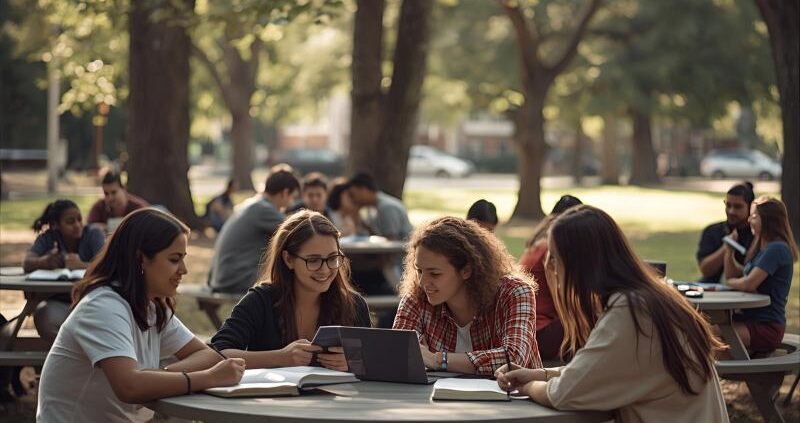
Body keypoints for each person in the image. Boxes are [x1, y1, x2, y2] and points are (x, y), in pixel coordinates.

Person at [496, 205, 728, 423]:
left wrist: (525, 387)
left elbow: (565, 393)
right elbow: (599, 368)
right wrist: (540, 374)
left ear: (580, 263)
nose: (552, 267)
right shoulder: (648, 296)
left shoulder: (631, 310)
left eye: (555, 258)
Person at [37, 208, 245, 423]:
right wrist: (207, 378)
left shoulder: (150, 304)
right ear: (141, 259)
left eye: (183, 259)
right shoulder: (102, 307)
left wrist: (158, 375)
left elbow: (206, 356)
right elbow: (129, 386)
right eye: (174, 259)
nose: (184, 270)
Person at [210, 211, 371, 370]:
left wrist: (355, 361)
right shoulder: (260, 300)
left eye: (332, 258)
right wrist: (281, 357)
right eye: (313, 260)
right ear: (288, 259)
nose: (325, 269)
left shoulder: (354, 304)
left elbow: (374, 360)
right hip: (271, 396)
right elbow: (217, 354)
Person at [393, 217, 541, 376]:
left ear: (466, 270)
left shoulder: (515, 293)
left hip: (514, 398)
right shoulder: (417, 295)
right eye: (419, 271)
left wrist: (438, 360)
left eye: (434, 274)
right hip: (436, 399)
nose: (422, 282)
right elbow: (397, 354)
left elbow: (514, 359)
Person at [207, 165, 300, 294]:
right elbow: (300, 232)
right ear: (285, 193)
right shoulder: (263, 209)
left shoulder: (253, 204)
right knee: (298, 276)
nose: (293, 203)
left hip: (222, 278)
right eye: (293, 197)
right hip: (236, 280)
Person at [23, 199, 106, 341]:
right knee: (43, 315)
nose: (77, 225)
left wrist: (82, 265)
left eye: (79, 220)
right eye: (70, 222)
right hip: (59, 303)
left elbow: (107, 266)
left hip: (91, 302)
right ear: (55, 225)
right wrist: (44, 262)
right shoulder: (48, 237)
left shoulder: (93, 234)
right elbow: (27, 263)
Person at [723, 196, 797, 355]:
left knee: (707, 333)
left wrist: (730, 283)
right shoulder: (764, 249)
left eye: (754, 216)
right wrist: (729, 251)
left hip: (766, 326)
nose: (749, 219)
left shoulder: (777, 249)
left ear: (769, 220)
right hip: (751, 321)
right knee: (706, 328)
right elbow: (736, 273)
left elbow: (749, 284)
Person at [518, 195, 583, 361]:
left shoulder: (537, 241)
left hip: (528, 330)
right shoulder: (551, 248)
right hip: (541, 333)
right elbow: (564, 298)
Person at [697, 182, 756, 283]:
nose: (731, 211)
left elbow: (752, 275)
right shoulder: (712, 231)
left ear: (751, 207)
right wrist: (727, 247)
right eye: (728, 205)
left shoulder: (757, 235)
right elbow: (705, 270)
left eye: (738, 207)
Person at [347, 171, 412, 241]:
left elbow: (391, 241)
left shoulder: (386, 207)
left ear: (364, 189)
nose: (353, 200)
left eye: (353, 195)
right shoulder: (373, 208)